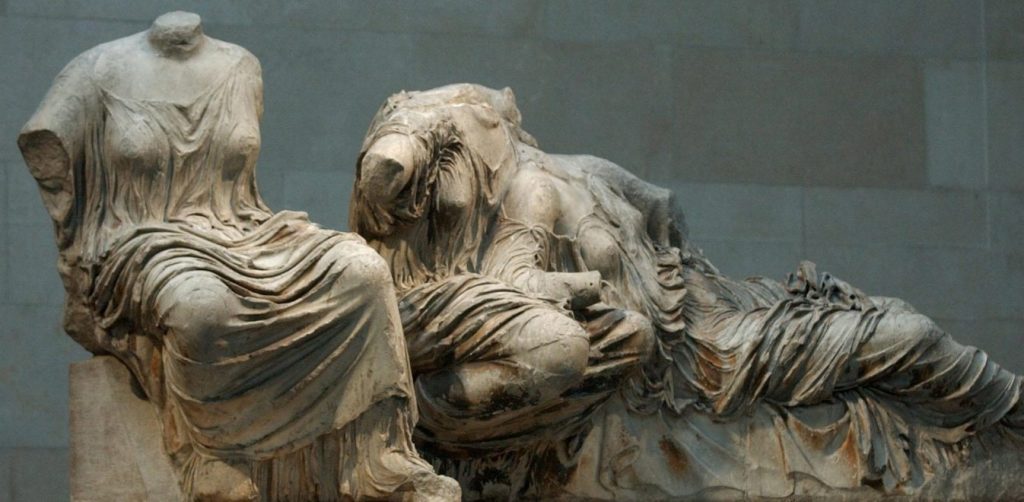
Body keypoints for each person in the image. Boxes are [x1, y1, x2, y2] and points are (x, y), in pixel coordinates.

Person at [351, 83, 1024, 499]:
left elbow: (654, 213)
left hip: (709, 319)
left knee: (899, 334)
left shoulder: (556, 181)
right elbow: (641, 223)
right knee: (900, 334)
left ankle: (1010, 415)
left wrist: (657, 275)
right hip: (702, 347)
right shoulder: (546, 188)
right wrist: (611, 278)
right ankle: (1010, 411)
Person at [18, 12, 458, 501]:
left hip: (244, 230)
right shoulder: (94, 72)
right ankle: (209, 456)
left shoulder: (240, 66)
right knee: (200, 308)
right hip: (144, 241)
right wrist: (79, 249)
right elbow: (45, 147)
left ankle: (376, 459)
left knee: (362, 272)